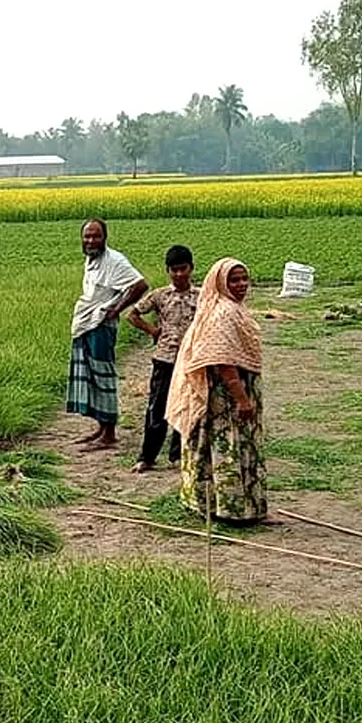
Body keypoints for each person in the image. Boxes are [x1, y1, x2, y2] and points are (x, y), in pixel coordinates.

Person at [166, 257, 267, 524]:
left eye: (244, 278)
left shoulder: (230, 308)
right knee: (226, 446)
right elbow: (223, 362)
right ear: (220, 282)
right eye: (234, 280)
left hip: (231, 393)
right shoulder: (222, 312)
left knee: (216, 447)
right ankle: (230, 508)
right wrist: (242, 399)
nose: (242, 284)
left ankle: (212, 503)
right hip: (224, 398)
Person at [66, 218, 149, 449]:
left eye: (96, 236)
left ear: (105, 238)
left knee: (103, 375)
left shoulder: (115, 260)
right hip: (87, 323)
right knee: (91, 376)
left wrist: (117, 308)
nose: (91, 240)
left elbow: (140, 285)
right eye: (87, 236)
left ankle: (109, 433)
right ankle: (102, 427)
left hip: (101, 325)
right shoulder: (91, 260)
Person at [127, 244, 199, 473]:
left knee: (187, 406)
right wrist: (152, 331)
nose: (179, 274)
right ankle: (147, 457)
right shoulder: (160, 295)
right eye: (174, 270)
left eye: (183, 269)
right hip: (165, 359)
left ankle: (178, 455)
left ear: (191, 268)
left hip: (191, 360)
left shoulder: (202, 296)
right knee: (157, 408)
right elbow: (133, 314)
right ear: (168, 271)